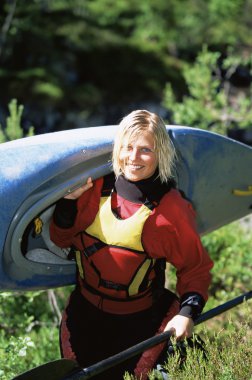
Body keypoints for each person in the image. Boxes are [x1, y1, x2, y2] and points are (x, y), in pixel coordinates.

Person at [50, 110, 213, 379]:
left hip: (141, 325)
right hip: (84, 318)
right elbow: (61, 239)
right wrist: (67, 204)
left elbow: (195, 269)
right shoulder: (93, 189)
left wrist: (187, 314)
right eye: (128, 147)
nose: (134, 157)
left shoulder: (170, 210)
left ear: (161, 153)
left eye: (145, 149)